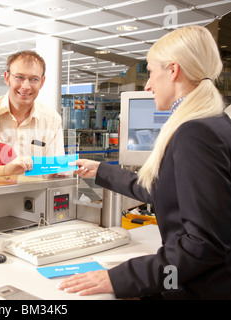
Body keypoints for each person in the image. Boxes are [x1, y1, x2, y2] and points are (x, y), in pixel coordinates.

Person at [57, 25, 231, 299]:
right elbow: (165, 189)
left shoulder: (194, 133)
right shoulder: (215, 122)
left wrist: (120, 278)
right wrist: (101, 169)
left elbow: (203, 245)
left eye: (150, 71)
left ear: (173, 70)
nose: (148, 84)